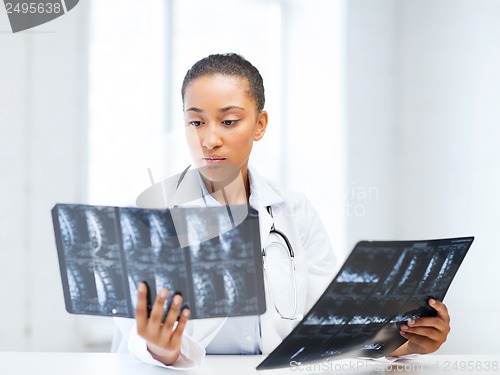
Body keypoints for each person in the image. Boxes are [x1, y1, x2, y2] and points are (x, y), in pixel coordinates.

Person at [112, 53, 451, 368]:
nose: (209, 139)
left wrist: (406, 343)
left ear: (259, 125)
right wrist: (161, 348)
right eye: (196, 122)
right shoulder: (148, 214)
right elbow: (135, 334)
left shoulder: (294, 211)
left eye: (228, 121)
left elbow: (330, 325)